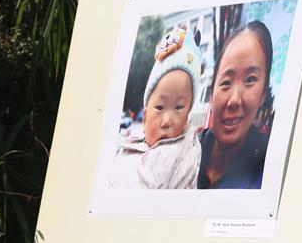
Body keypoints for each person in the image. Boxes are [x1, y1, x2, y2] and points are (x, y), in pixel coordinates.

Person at [110, 25, 202, 189]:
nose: (166, 121)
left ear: (188, 115)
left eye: (179, 107)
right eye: (159, 107)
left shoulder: (182, 154)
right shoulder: (128, 146)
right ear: (144, 118)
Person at [197, 21, 273, 189]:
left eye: (250, 80)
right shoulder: (188, 153)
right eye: (226, 82)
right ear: (211, 96)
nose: (234, 100)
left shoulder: (268, 168)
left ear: (263, 95)